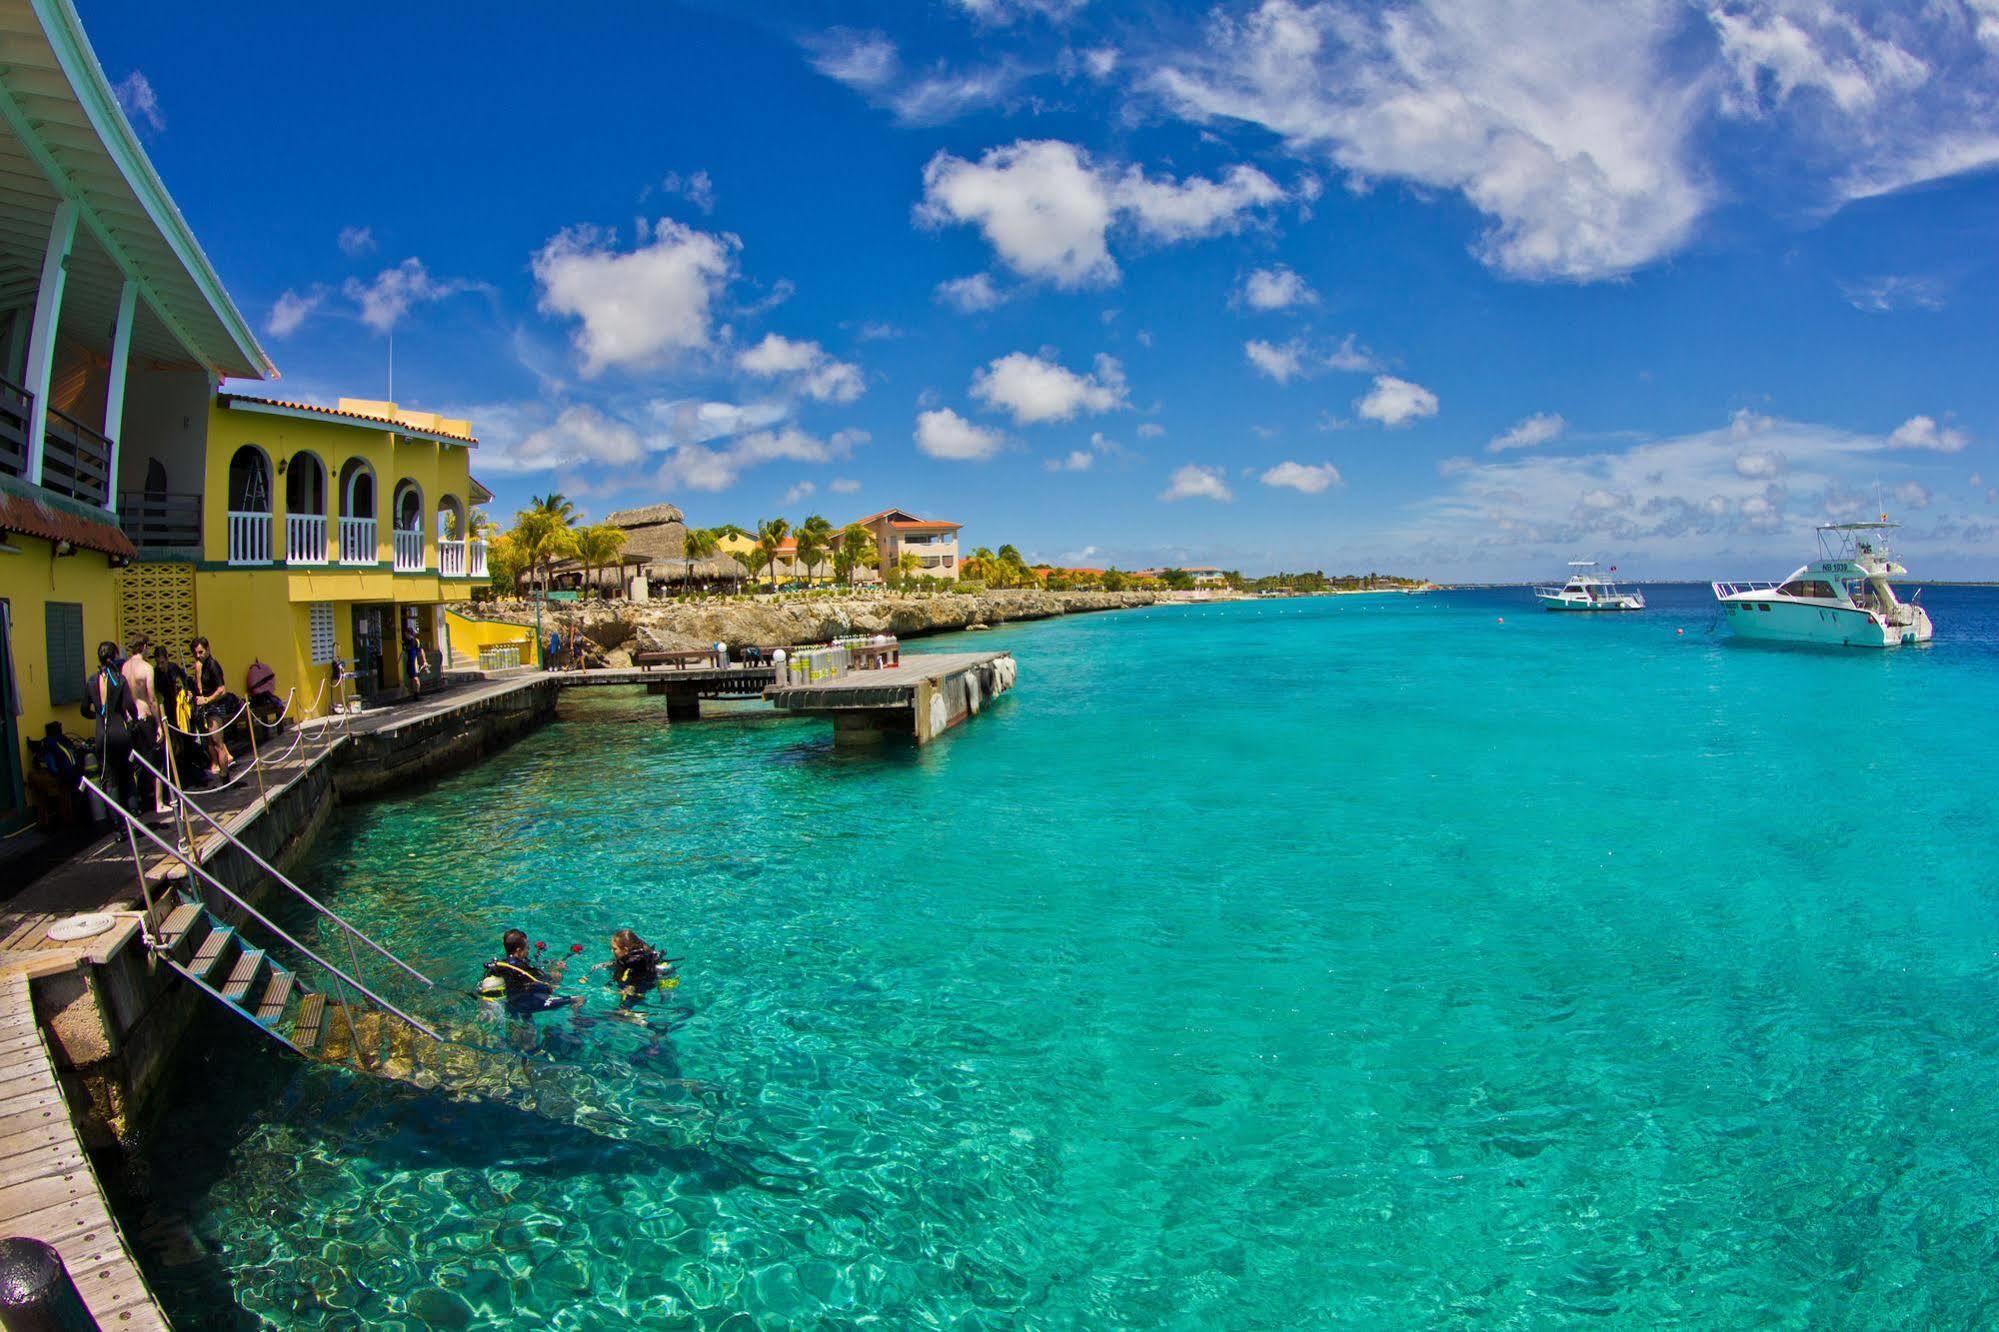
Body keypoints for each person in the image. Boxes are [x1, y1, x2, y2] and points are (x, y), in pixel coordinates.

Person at [83, 642, 137, 816]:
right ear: (114, 657)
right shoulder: (119, 679)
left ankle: (117, 826)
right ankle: (134, 815)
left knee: (110, 781)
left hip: (102, 735)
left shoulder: (92, 680)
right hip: (119, 732)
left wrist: (98, 716)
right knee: (127, 776)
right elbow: (129, 705)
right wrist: (134, 721)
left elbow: (84, 709)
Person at [119, 634, 168, 815]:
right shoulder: (147, 668)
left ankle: (136, 801)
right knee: (156, 761)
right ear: (144, 646)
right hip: (145, 716)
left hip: (130, 718)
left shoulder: (124, 667)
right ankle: (159, 803)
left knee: (136, 763)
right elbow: (152, 699)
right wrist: (158, 725)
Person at [483, 929, 578, 1017]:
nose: (528, 951)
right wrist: (556, 969)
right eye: (527, 948)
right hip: (523, 1004)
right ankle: (576, 1024)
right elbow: (552, 981)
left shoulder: (500, 965)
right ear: (519, 951)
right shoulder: (523, 969)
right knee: (578, 999)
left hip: (509, 1002)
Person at [188, 637, 236, 777]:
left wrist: (207, 700)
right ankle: (219, 769)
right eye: (195, 653)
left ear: (208, 649)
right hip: (207, 708)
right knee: (210, 741)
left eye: (201, 652)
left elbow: (222, 689)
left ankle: (224, 776)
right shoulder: (201, 665)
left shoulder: (213, 665)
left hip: (215, 706)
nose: (198, 655)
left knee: (218, 743)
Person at [591, 929, 674, 1009]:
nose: (611, 951)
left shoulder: (636, 965)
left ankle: (639, 1019)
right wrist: (603, 965)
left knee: (665, 1003)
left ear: (626, 950)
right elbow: (619, 963)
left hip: (664, 975)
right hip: (661, 969)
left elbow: (634, 989)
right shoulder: (631, 954)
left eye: (614, 949)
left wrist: (612, 991)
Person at [401, 619, 428, 698]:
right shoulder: (405, 642)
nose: (406, 635)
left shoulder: (416, 641)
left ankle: (417, 693)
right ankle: (414, 693)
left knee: (415, 678)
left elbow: (421, 651)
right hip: (409, 661)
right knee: (412, 678)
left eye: (407, 633)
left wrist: (423, 661)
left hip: (414, 661)